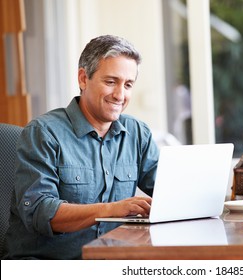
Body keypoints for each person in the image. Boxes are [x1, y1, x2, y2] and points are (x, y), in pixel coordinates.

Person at [4, 35, 159, 259]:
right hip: (47, 266)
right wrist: (112, 209)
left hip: (110, 262)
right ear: (83, 78)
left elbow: (170, 192)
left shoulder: (137, 133)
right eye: (110, 82)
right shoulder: (43, 132)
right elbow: (39, 211)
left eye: (128, 85)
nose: (120, 95)